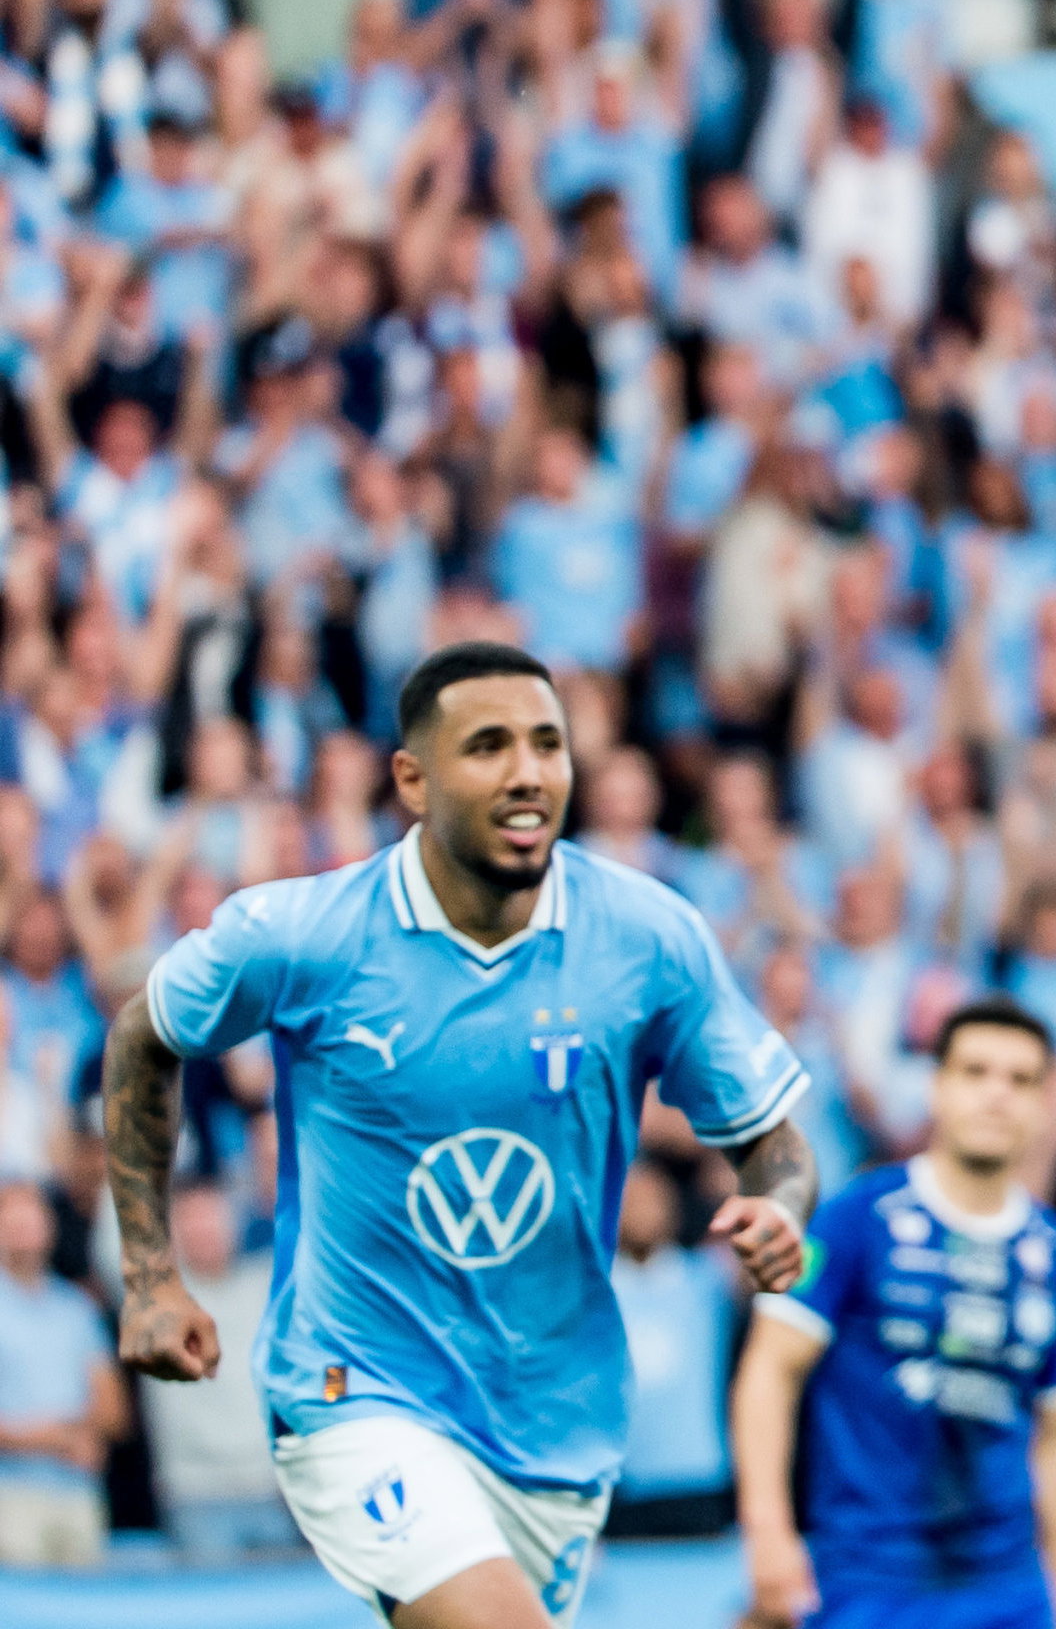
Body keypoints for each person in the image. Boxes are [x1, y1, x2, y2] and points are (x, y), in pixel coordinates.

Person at [103, 642, 817, 1629]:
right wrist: (149, 1274)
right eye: (488, 746)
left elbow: (773, 1143)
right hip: (356, 1389)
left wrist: (781, 1209)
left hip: (552, 1421)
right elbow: (145, 1033)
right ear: (412, 778)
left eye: (547, 744)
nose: (528, 772)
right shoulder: (307, 934)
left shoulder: (649, 938)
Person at [731, 998, 1056, 1629]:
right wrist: (768, 1532)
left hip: (1007, 1589)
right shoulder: (855, 1219)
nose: (997, 1095)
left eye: (1020, 1080)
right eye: (975, 1072)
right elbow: (770, 1371)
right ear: (936, 1087)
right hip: (866, 1579)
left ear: (1045, 1105)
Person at [137, 1177, 298, 1559]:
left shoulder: (267, 1284)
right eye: (189, 1221)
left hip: (270, 1488)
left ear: (236, 1223)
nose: (202, 1230)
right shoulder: (153, 1301)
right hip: (195, 1495)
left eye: (211, 1218)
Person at [607, 1160, 739, 1537]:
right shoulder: (595, 1290)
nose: (642, 1213)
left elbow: (789, 1256)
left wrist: (736, 1179)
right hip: (619, 1480)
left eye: (653, 1201)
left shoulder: (707, 1278)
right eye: (630, 1201)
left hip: (694, 1479)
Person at [0, 1177, 126, 1567]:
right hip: (11, 1494)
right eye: (12, 1218)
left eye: (31, 1216)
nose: (23, 1227)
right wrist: (58, 1439)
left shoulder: (77, 1308)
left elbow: (114, 1412)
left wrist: (79, 1439)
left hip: (79, 1492)